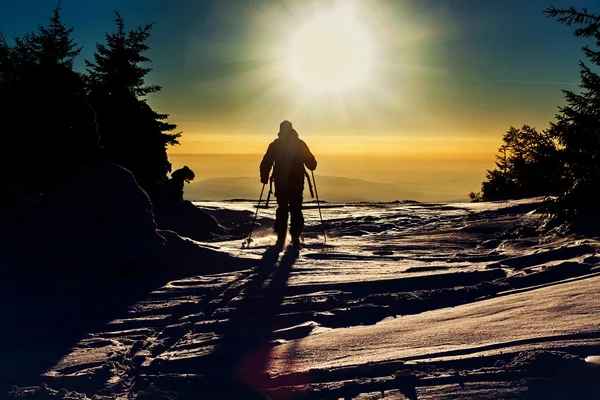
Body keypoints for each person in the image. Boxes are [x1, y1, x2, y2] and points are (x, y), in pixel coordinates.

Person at [260, 120, 317, 249]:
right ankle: (295, 235)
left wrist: (264, 176)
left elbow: (266, 161)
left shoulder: (275, 145)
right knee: (296, 208)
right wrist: (312, 164)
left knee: (282, 208)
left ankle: (281, 237)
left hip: (281, 182)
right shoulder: (300, 144)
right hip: (296, 182)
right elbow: (311, 163)